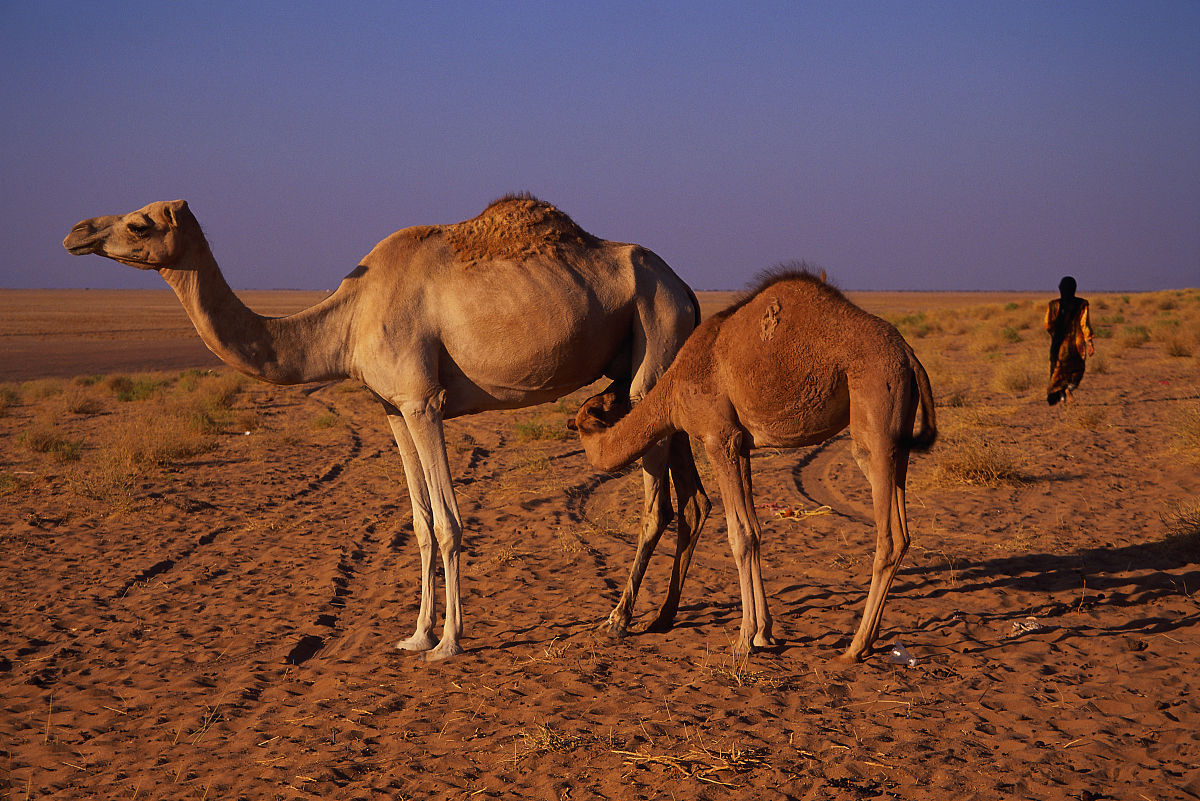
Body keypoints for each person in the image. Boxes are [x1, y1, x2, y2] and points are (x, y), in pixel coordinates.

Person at [1044, 276, 1095, 405]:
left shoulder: (1054, 305)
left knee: (1058, 369)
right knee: (1078, 369)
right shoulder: (1082, 304)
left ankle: (1062, 394)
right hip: (1077, 344)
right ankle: (1068, 390)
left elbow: (1048, 324)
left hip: (1059, 344)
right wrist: (1089, 342)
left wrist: (1054, 334)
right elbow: (1085, 324)